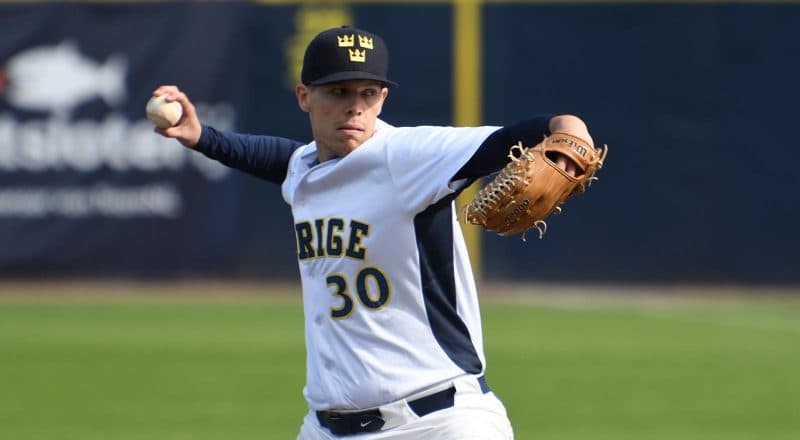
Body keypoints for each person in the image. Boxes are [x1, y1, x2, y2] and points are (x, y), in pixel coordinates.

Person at [154, 26, 593, 439]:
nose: (355, 106)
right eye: (338, 92)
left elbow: (513, 136)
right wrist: (201, 136)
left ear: (382, 98)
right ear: (304, 96)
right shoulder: (305, 171)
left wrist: (569, 129)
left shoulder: (406, 156)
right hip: (327, 428)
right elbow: (279, 158)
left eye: (367, 93)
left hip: (439, 423)